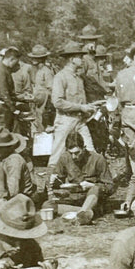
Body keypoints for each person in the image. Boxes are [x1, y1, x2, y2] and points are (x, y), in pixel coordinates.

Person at [49, 41, 97, 174]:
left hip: (80, 121)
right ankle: (50, 187)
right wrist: (81, 107)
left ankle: (91, 181)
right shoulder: (61, 77)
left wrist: (88, 108)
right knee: (57, 155)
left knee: (90, 150)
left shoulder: (78, 78)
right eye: (80, 57)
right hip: (65, 120)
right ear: (71, 59)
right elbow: (57, 102)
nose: (82, 60)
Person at [50, 131, 114, 225]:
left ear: (84, 148)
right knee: (48, 206)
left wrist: (92, 185)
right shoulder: (64, 158)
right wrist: (53, 181)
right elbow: (57, 181)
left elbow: (110, 186)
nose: (74, 156)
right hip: (73, 197)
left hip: (93, 197)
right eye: (70, 153)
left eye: (77, 153)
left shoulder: (98, 159)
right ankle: (85, 213)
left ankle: (84, 211)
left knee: (95, 189)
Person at [0, 126, 38, 200]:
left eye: (0, 148)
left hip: (21, 199)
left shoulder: (14, 160)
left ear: (9, 147)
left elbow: (13, 191)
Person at [0, 47, 20, 129]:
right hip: (2, 107)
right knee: (2, 132)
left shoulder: (4, 69)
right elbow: (4, 92)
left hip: (4, 105)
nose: (15, 65)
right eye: (16, 62)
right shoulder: (1, 70)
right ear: (11, 59)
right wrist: (13, 108)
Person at [29, 44, 55, 130]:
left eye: (36, 58)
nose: (33, 59)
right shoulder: (38, 71)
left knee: (44, 128)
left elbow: (51, 89)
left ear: (42, 59)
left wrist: (47, 107)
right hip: (39, 104)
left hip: (45, 106)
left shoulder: (46, 71)